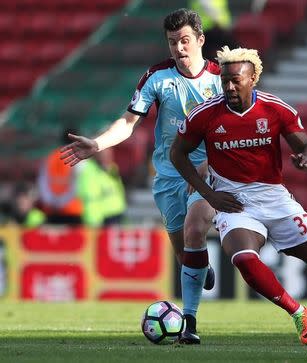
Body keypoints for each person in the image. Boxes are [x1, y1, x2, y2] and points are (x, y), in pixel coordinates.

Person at [170, 46, 307, 348]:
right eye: (225, 81)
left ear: (253, 79)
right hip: (234, 202)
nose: (230, 87)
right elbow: (177, 154)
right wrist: (210, 195)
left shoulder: (275, 109)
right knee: (244, 259)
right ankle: (299, 312)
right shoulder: (205, 114)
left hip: (275, 198)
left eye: (237, 80)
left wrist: (306, 158)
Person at [60, 8, 221, 344]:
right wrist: (98, 143)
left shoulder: (220, 80)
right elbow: (128, 123)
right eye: (173, 42)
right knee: (184, 253)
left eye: (185, 40)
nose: (179, 48)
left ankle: (189, 323)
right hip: (168, 176)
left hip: (208, 174)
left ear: (200, 40)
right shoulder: (157, 77)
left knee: (195, 229)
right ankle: (200, 269)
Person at [38, 129, 84, 225]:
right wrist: (63, 202)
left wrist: (53, 202)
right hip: (72, 210)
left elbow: (42, 182)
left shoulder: (51, 157)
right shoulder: (79, 157)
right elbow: (78, 185)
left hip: (52, 210)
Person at [77, 148, 127, 227]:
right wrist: (93, 220)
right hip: (101, 218)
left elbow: (118, 190)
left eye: (109, 154)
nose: (107, 156)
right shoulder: (89, 171)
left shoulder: (112, 168)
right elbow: (90, 198)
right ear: (96, 155)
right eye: (104, 154)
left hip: (117, 213)